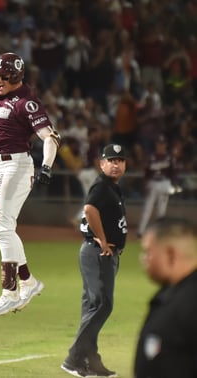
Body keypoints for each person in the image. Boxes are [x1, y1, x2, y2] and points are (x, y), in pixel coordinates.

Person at [0, 52, 61, 316]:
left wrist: (46, 166)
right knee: (1, 227)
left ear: (16, 76)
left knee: (1, 224)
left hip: (15, 165)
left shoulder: (27, 103)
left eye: (2, 76)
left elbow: (50, 137)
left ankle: (9, 291)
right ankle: (29, 282)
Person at [61, 144, 128, 378]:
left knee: (93, 306)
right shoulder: (101, 185)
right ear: (102, 164)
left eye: (120, 160)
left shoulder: (111, 187)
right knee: (102, 304)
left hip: (100, 254)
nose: (116, 164)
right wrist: (102, 239)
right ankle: (74, 358)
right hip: (97, 253)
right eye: (111, 160)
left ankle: (91, 359)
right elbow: (89, 210)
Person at [134, 217, 197, 378]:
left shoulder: (190, 304)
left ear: (170, 255)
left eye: (148, 252)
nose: (143, 259)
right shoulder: (169, 294)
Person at [136, 134, 181, 238]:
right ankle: (140, 231)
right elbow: (146, 173)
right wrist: (146, 184)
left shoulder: (169, 158)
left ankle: (160, 233)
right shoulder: (151, 157)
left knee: (161, 210)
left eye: (162, 143)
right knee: (147, 208)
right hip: (153, 183)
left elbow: (174, 173)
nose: (161, 145)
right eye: (159, 143)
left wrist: (173, 184)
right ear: (156, 145)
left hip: (165, 183)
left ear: (165, 145)